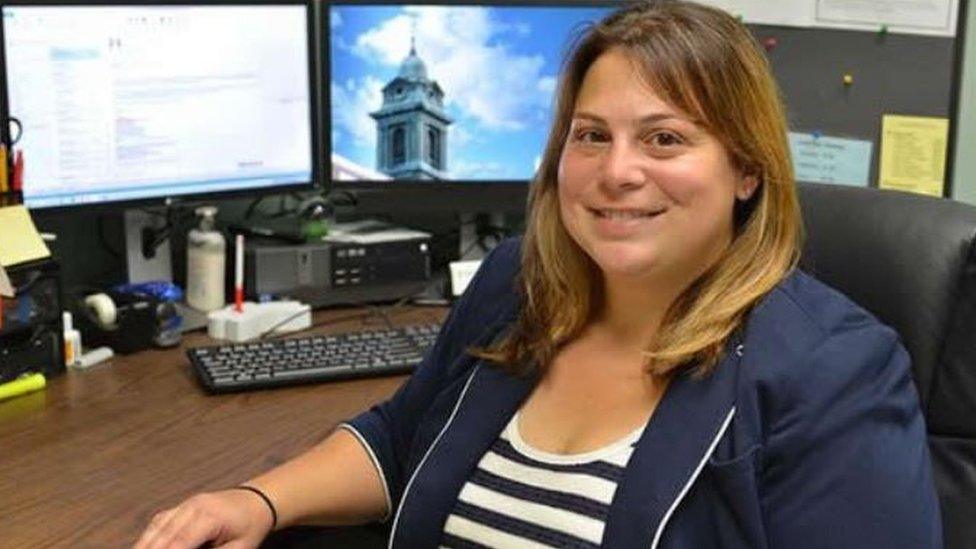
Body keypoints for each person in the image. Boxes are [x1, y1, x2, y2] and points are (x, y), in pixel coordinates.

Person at [135, 1, 943, 547]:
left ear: (746, 171)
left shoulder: (837, 372)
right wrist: (257, 499)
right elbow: (402, 436)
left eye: (664, 139)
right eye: (591, 136)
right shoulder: (520, 283)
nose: (616, 171)